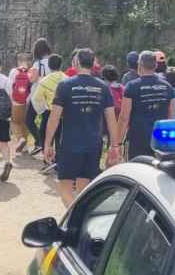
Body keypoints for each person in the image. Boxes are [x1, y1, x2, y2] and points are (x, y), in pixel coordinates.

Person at [44, 48, 120, 207]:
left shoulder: (65, 85)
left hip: (70, 145)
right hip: (94, 144)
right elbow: (112, 120)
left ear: (76, 62)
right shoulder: (103, 88)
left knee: (64, 187)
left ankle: (74, 220)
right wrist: (115, 146)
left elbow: (54, 118)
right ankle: (78, 218)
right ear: (93, 64)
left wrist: (48, 144)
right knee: (83, 188)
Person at [118, 50, 175, 160]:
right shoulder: (168, 87)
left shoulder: (132, 86)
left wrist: (117, 143)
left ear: (139, 65)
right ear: (155, 66)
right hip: (160, 139)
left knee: (136, 171)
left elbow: (124, 117)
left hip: (137, 139)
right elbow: (172, 117)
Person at [30, 54, 67, 171]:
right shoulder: (67, 78)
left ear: (49, 65)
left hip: (50, 112)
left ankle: (47, 161)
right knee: (60, 138)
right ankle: (59, 163)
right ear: (61, 65)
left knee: (47, 137)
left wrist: (42, 108)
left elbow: (36, 98)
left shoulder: (44, 80)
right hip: (65, 114)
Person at [26, 37, 52, 154]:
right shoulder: (53, 61)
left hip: (38, 94)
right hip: (50, 94)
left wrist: (28, 75)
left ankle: (39, 141)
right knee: (45, 121)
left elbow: (33, 79)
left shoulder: (38, 63)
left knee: (29, 119)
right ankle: (45, 145)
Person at [8, 52, 33, 152]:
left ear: (18, 61)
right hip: (28, 102)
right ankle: (25, 147)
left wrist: (11, 100)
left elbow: (9, 87)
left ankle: (20, 138)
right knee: (24, 123)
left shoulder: (14, 71)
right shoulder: (31, 71)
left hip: (16, 101)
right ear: (28, 61)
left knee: (14, 122)